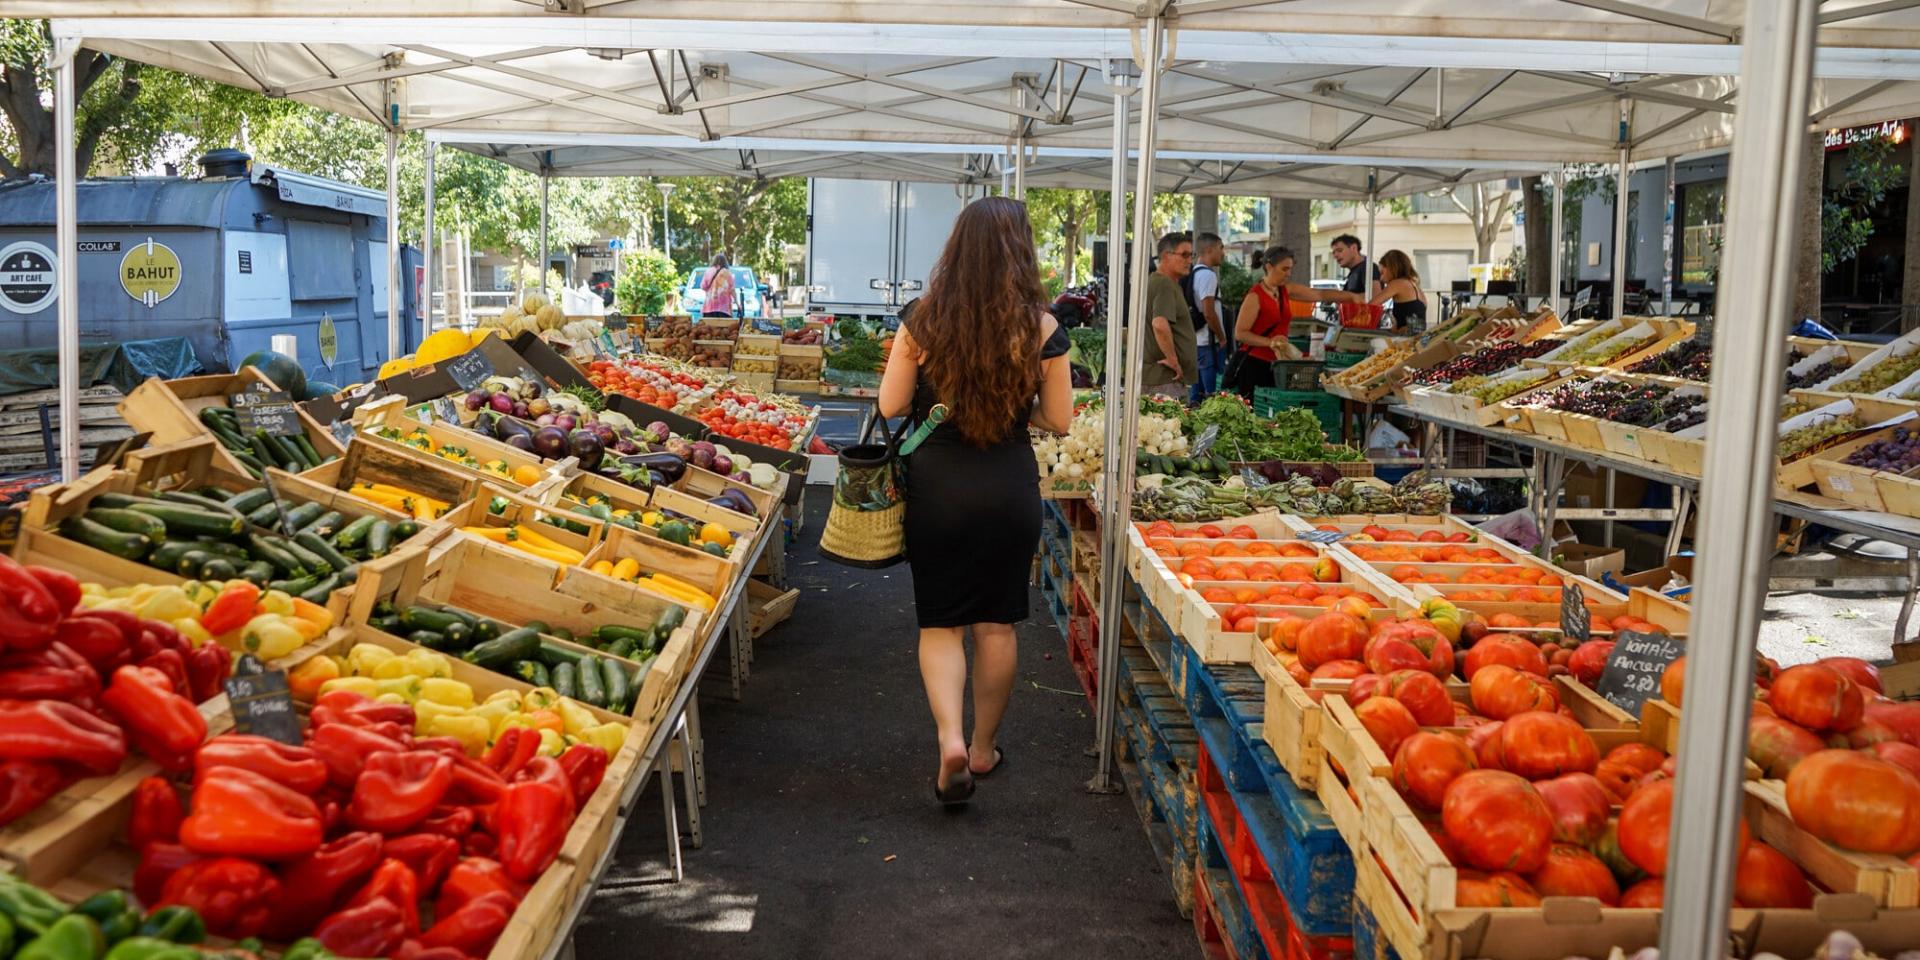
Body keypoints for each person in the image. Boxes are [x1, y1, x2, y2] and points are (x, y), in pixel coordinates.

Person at [876, 197, 1073, 807]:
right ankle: (984, 748)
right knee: (997, 626)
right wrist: (1018, 407)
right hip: (1009, 487)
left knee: (941, 623)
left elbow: (889, 406)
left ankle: (950, 740)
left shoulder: (921, 320)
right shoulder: (1043, 328)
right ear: (1022, 249)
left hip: (939, 487)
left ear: (956, 248)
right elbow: (1061, 420)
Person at [1222, 245, 1359, 399]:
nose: (1289, 274)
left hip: (1279, 366)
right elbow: (1240, 334)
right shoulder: (1255, 296)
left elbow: (1319, 294)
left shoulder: (1285, 290)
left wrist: (1352, 297)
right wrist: (1270, 342)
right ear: (1269, 267)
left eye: (1290, 269)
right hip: (1254, 364)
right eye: (1284, 269)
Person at [1142, 232, 1197, 399]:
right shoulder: (1165, 284)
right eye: (1184, 255)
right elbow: (1159, 323)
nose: (1189, 260)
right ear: (1166, 255)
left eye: (1191, 255)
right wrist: (1173, 361)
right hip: (1165, 380)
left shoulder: (1158, 281)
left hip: (1158, 378)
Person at [1183, 232, 1226, 403]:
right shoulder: (1208, 276)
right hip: (1207, 340)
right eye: (1220, 248)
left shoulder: (1194, 272)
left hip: (1197, 338)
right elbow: (1209, 312)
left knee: (1196, 394)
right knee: (1210, 395)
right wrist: (1222, 337)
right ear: (1209, 250)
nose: (1223, 253)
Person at [1366, 249, 1428, 332]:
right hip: (1419, 340)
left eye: (1382, 273)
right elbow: (1419, 323)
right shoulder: (1415, 286)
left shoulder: (1397, 284)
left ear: (1392, 268)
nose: (1381, 278)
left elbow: (1370, 306)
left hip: (1404, 339)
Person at [1330, 234, 1379, 298]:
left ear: (1353, 248)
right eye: (1333, 253)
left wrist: (1340, 296)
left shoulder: (1367, 268)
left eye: (1340, 250)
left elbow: (1375, 295)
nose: (1335, 255)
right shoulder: (1355, 271)